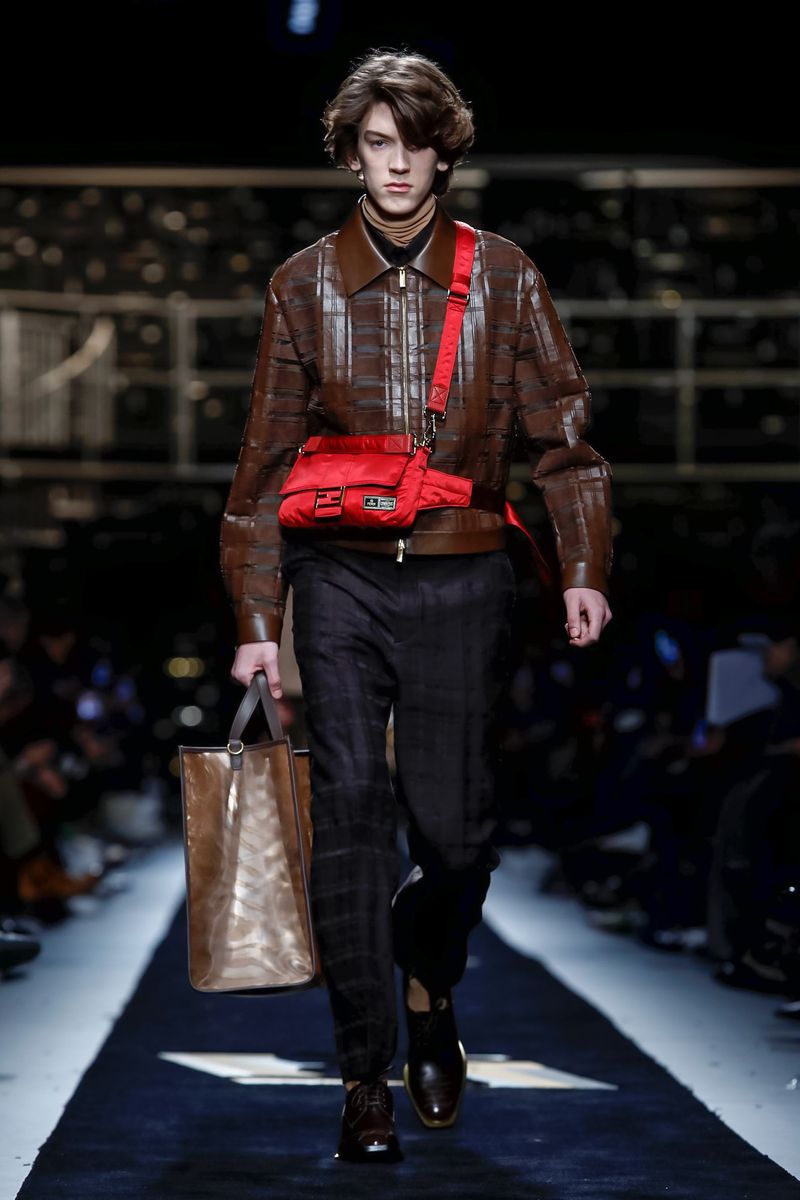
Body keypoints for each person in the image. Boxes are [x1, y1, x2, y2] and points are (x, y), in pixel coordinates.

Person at [221, 47, 614, 1163]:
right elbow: (260, 471)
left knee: (457, 836)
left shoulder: (505, 275)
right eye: (376, 143)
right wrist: (257, 626)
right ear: (351, 154)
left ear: (447, 151)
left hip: (463, 571)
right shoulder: (302, 284)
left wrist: (582, 566)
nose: (396, 165)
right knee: (349, 810)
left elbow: (564, 442)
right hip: (336, 574)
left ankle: (429, 982)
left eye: (415, 143)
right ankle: (363, 1080)